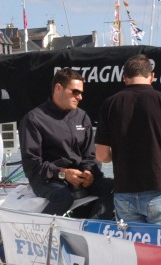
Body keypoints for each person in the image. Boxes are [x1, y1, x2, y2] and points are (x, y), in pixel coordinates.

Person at [94, 54, 161, 225]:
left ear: (124, 78)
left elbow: (101, 155)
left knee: (133, 249)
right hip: (159, 190)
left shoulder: (110, 104)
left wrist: (116, 157)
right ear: (152, 76)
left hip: (124, 191)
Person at [19, 68, 114, 220]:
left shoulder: (82, 117)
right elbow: (32, 165)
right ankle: (40, 232)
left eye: (81, 93)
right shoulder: (34, 119)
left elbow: (90, 155)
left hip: (80, 176)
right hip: (48, 178)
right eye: (75, 92)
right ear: (58, 88)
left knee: (117, 188)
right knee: (63, 197)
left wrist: (89, 172)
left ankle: (92, 228)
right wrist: (63, 173)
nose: (80, 97)